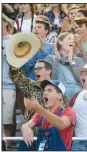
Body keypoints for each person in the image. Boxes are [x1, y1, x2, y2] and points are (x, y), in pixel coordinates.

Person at [9, 59, 55, 150]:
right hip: (29, 134)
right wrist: (15, 63)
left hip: (49, 134)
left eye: (39, 68)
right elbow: (15, 76)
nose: (36, 71)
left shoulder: (58, 87)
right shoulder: (31, 85)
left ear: (49, 70)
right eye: (35, 69)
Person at [21, 80, 75, 150]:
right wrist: (25, 128)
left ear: (59, 96)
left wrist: (38, 108)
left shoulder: (69, 111)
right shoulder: (40, 114)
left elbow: (62, 124)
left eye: (49, 90)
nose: (45, 93)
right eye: (44, 91)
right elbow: (25, 125)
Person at [44, 32, 84, 100]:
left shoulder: (79, 60)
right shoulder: (50, 58)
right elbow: (51, 78)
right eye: (69, 38)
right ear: (60, 41)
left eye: (73, 40)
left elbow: (81, 80)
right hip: (59, 96)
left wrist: (72, 62)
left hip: (77, 96)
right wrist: (57, 61)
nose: (72, 41)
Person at [2, 13, 16, 148]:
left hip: (8, 84)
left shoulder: (13, 40)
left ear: (5, 23)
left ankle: (5, 148)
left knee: (6, 121)